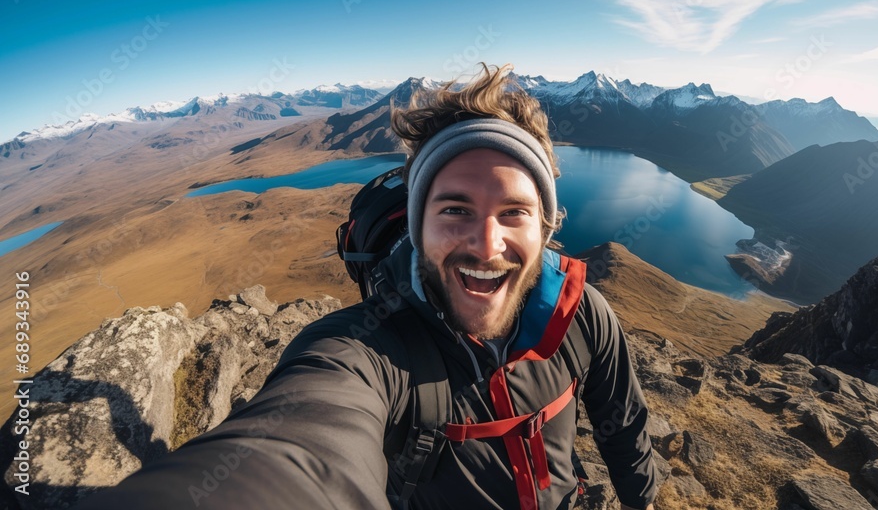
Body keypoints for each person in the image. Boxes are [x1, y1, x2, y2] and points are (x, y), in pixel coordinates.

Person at [77, 64, 660, 509]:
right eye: (455, 209)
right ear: (418, 224)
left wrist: (643, 499)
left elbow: (625, 427)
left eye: (514, 212)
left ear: (546, 226)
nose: (487, 245)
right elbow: (303, 445)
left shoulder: (582, 314)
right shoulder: (368, 351)